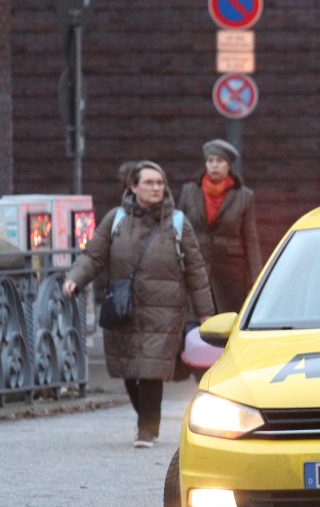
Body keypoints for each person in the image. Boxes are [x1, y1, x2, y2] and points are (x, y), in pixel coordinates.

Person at [64, 161, 215, 449]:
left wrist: (206, 313)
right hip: (125, 308)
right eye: (150, 183)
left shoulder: (178, 223)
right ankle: (146, 418)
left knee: (150, 369)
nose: (157, 188)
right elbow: (93, 255)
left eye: (160, 183)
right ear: (134, 187)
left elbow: (197, 271)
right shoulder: (116, 220)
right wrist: (75, 278)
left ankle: (147, 428)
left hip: (165, 311)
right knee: (129, 370)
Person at [177, 139, 263, 314]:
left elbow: (251, 239)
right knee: (195, 323)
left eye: (219, 161)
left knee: (226, 323)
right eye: (210, 161)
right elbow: (178, 231)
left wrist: (257, 279)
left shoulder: (244, 196)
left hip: (230, 274)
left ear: (228, 165)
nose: (214, 165)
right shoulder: (189, 191)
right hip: (196, 268)